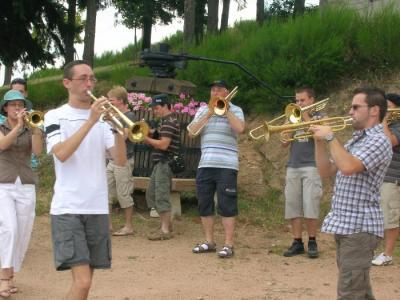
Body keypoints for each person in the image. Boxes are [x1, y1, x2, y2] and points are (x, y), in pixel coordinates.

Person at [44, 60, 127, 300]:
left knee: (85, 284)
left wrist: (117, 129)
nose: (89, 83)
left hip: (97, 207)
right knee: (82, 282)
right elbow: (61, 153)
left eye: (92, 78)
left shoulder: (103, 120)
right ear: (67, 83)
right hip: (68, 207)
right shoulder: (55, 116)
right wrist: (91, 121)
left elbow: (120, 161)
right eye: (83, 78)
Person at [310, 87, 392, 300]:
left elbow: (348, 167)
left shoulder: (379, 140)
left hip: (360, 227)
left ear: (374, 110)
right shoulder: (356, 140)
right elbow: (325, 171)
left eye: (356, 107)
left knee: (350, 291)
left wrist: (329, 137)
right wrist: (319, 143)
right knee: (359, 290)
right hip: (347, 224)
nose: (350, 112)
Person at [187, 80, 245, 258]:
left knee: (227, 204)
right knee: (205, 204)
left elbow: (240, 129)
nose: (215, 93)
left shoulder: (235, 110)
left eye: (219, 90)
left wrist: (225, 109)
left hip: (227, 165)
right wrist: (209, 114)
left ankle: (228, 244)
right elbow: (191, 133)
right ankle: (209, 241)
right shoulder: (204, 110)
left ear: (227, 92)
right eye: (212, 90)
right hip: (205, 164)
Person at [0, 90, 43, 298]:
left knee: (23, 231)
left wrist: (34, 130)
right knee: (9, 228)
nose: (17, 107)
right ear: (5, 108)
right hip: (3, 183)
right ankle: (4, 278)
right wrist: (17, 127)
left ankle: (11, 274)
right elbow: (2, 145)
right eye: (13, 104)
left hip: (25, 182)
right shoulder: (0, 126)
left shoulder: (29, 127)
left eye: (20, 104)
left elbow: (37, 152)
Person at [281, 87, 323, 258]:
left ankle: (312, 241)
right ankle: (297, 242)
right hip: (293, 166)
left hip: (312, 166)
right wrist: (291, 123)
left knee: (310, 204)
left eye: (302, 100)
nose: (298, 104)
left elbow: (321, 138)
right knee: (293, 205)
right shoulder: (291, 117)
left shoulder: (321, 117)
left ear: (311, 100)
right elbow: (283, 143)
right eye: (297, 101)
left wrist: (305, 117)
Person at [143, 94, 180, 241]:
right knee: (152, 194)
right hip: (160, 162)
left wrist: (144, 137)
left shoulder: (169, 122)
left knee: (161, 195)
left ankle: (165, 230)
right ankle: (166, 225)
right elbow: (158, 140)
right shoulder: (164, 122)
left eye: (157, 108)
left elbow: (164, 145)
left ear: (165, 106)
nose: (155, 111)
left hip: (165, 162)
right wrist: (149, 133)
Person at [372, 93, 400, 266]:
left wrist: (383, 122)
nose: (385, 110)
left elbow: (390, 141)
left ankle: (388, 254)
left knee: (390, 217)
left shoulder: (396, 125)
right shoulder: (382, 125)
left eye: (388, 107)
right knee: (378, 216)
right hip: (378, 176)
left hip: (392, 176)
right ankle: (378, 251)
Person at [106, 86, 136, 236]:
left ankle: (128, 226)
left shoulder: (129, 116)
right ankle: (108, 226)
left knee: (123, 194)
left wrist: (112, 120)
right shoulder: (114, 116)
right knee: (105, 193)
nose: (109, 104)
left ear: (120, 101)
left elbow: (123, 137)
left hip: (124, 160)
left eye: (111, 101)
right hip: (111, 160)